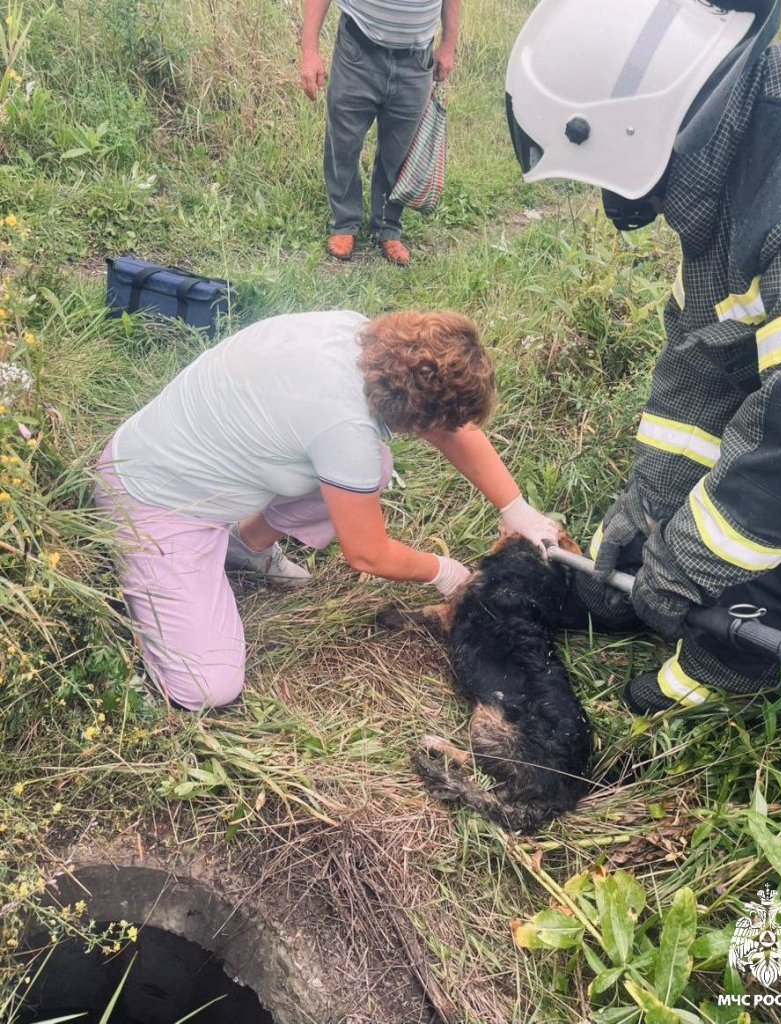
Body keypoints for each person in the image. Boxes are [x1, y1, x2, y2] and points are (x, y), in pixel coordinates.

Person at [506, 0, 781, 712]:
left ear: (638, 137)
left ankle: (725, 669)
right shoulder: (736, 163)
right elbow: (703, 367)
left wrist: (687, 562)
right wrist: (648, 509)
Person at [95, 310, 559, 711]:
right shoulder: (343, 427)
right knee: (206, 686)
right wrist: (447, 573)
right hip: (152, 501)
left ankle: (243, 547)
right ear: (411, 412)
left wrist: (516, 508)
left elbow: (450, 428)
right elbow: (368, 553)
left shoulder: (364, 340)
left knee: (370, 469)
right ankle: (163, 583)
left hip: (186, 461)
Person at [300, 0, 460, 266]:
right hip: (358, 51)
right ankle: (345, 223)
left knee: (398, 152)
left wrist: (448, 45)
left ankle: (387, 227)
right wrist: (309, 50)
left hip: (416, 60)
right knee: (344, 144)